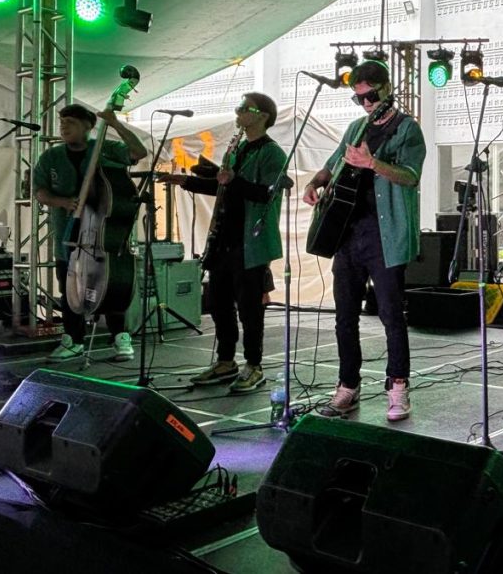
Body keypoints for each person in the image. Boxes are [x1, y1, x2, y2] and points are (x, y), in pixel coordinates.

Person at [303, 61, 426, 421]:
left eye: (371, 95)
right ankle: (347, 387)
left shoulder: (407, 129)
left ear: (387, 88)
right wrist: (315, 183)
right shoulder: (356, 127)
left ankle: (398, 386)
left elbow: (410, 177)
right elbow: (332, 164)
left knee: (391, 315)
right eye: (359, 98)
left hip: (385, 236)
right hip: (347, 234)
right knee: (344, 316)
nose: (367, 103)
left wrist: (373, 163)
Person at [160, 93, 286, 393]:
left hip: (250, 242)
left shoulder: (272, 153)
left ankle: (254, 365)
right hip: (224, 239)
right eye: (239, 107)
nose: (238, 112)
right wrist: (188, 182)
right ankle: (226, 361)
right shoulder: (237, 148)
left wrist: (230, 180)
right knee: (218, 303)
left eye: (245, 108)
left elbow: (266, 193)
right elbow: (223, 187)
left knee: (249, 308)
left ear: (263, 115)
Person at [34, 103, 148, 362]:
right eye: (62, 122)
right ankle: (74, 340)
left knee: (112, 283)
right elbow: (39, 190)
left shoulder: (105, 149)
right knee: (69, 288)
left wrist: (115, 123)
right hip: (69, 233)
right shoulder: (51, 157)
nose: (64, 127)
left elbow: (138, 152)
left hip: (105, 235)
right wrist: (62, 202)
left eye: (71, 122)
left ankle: (121, 338)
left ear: (88, 126)